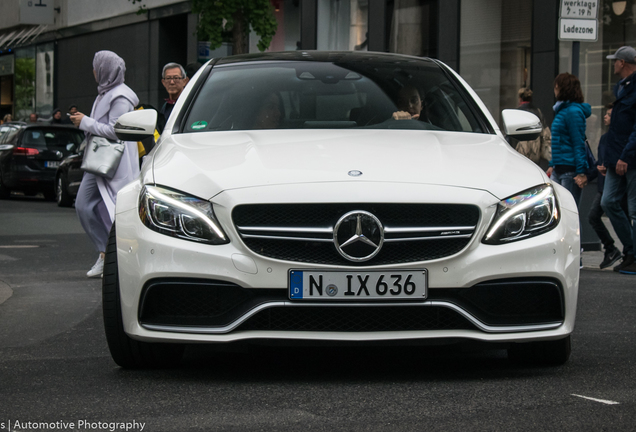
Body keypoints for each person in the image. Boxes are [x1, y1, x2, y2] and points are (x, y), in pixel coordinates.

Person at [70, 50, 140, 278]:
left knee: (118, 214)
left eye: (96, 66)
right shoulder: (106, 93)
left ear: (105, 70)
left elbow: (115, 131)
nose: (93, 71)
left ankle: (115, 257)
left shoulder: (120, 96)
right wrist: (85, 122)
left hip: (113, 163)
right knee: (84, 205)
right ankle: (105, 253)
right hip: (101, 160)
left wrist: (85, 122)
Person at [600, 46, 636, 274]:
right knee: (608, 201)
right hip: (616, 157)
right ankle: (630, 250)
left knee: (634, 210)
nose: (613, 64)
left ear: (622, 63)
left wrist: (626, 155)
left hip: (629, 157)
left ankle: (633, 256)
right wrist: (608, 158)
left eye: (615, 61)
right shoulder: (622, 87)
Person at [547, 73, 591, 207]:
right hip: (559, 169)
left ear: (563, 88)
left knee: (568, 214)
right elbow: (560, 141)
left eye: (556, 86)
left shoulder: (572, 112)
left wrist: (581, 172)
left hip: (570, 172)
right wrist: (553, 164)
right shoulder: (562, 110)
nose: (554, 90)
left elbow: (578, 143)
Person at [589, 104, 623, 269]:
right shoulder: (604, 138)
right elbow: (599, 163)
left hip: (616, 185)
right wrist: (589, 175)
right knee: (593, 216)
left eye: (609, 115)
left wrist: (607, 166)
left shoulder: (617, 139)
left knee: (622, 216)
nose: (605, 117)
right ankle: (611, 248)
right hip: (603, 186)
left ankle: (621, 251)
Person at [514, 88, 552, 167]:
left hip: (521, 150)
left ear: (520, 99)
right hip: (535, 150)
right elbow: (545, 131)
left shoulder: (517, 112)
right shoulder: (537, 112)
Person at [159, 62, 188, 130]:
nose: (172, 82)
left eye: (176, 78)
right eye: (168, 78)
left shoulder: (189, 103)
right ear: (163, 82)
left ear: (185, 81)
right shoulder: (165, 107)